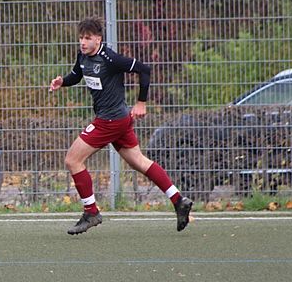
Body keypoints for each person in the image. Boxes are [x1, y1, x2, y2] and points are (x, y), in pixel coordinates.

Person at [49, 16, 193, 235]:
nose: (83, 42)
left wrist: (141, 102)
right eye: (81, 38)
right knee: (139, 161)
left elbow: (144, 69)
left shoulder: (110, 59)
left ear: (98, 39)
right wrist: (63, 82)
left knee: (73, 160)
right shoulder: (83, 56)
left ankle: (91, 212)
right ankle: (178, 200)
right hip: (118, 120)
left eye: (88, 38)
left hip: (110, 121)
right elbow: (77, 75)